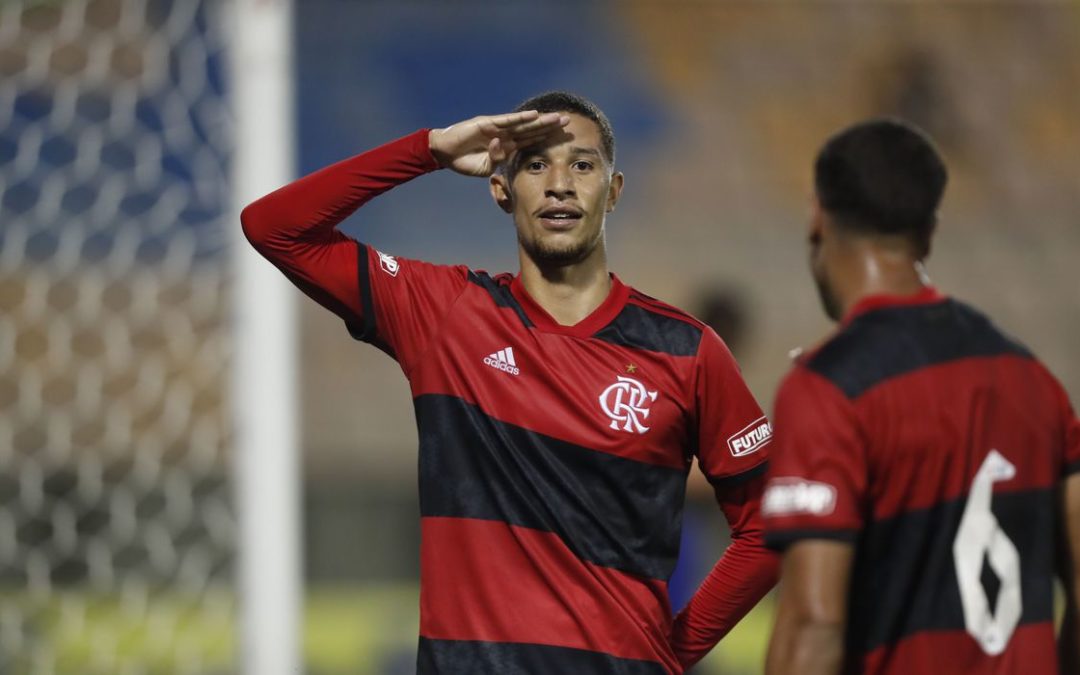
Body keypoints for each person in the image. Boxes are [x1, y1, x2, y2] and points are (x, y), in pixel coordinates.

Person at [241, 91, 778, 674]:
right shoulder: (446, 313)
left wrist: (673, 654)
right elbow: (274, 228)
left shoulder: (688, 352)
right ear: (502, 189)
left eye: (582, 164)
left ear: (613, 191)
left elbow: (769, 523)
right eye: (536, 164)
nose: (560, 184)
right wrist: (429, 149)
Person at [762, 118, 1080, 675]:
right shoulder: (1031, 378)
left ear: (817, 217)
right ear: (929, 233)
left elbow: (814, 624)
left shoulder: (830, 388)